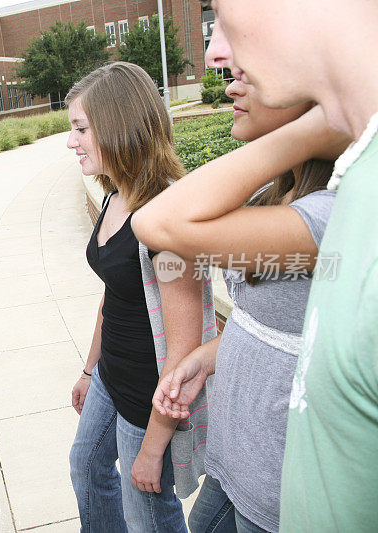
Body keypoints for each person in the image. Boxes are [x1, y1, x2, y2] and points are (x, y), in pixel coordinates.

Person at [137, 3, 378, 528]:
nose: (226, 78)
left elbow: (160, 223)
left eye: (245, 77)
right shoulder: (283, 192)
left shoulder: (323, 217)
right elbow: (292, 322)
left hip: (274, 485)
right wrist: (208, 355)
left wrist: (316, 127)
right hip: (236, 461)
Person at [66, 61, 217, 533]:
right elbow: (112, 297)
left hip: (147, 398)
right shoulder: (114, 195)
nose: (71, 142)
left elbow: (183, 352)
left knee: (147, 510)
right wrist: (90, 370)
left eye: (81, 129)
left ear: (118, 127)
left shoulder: (167, 219)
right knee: (86, 467)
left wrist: (153, 450)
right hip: (112, 375)